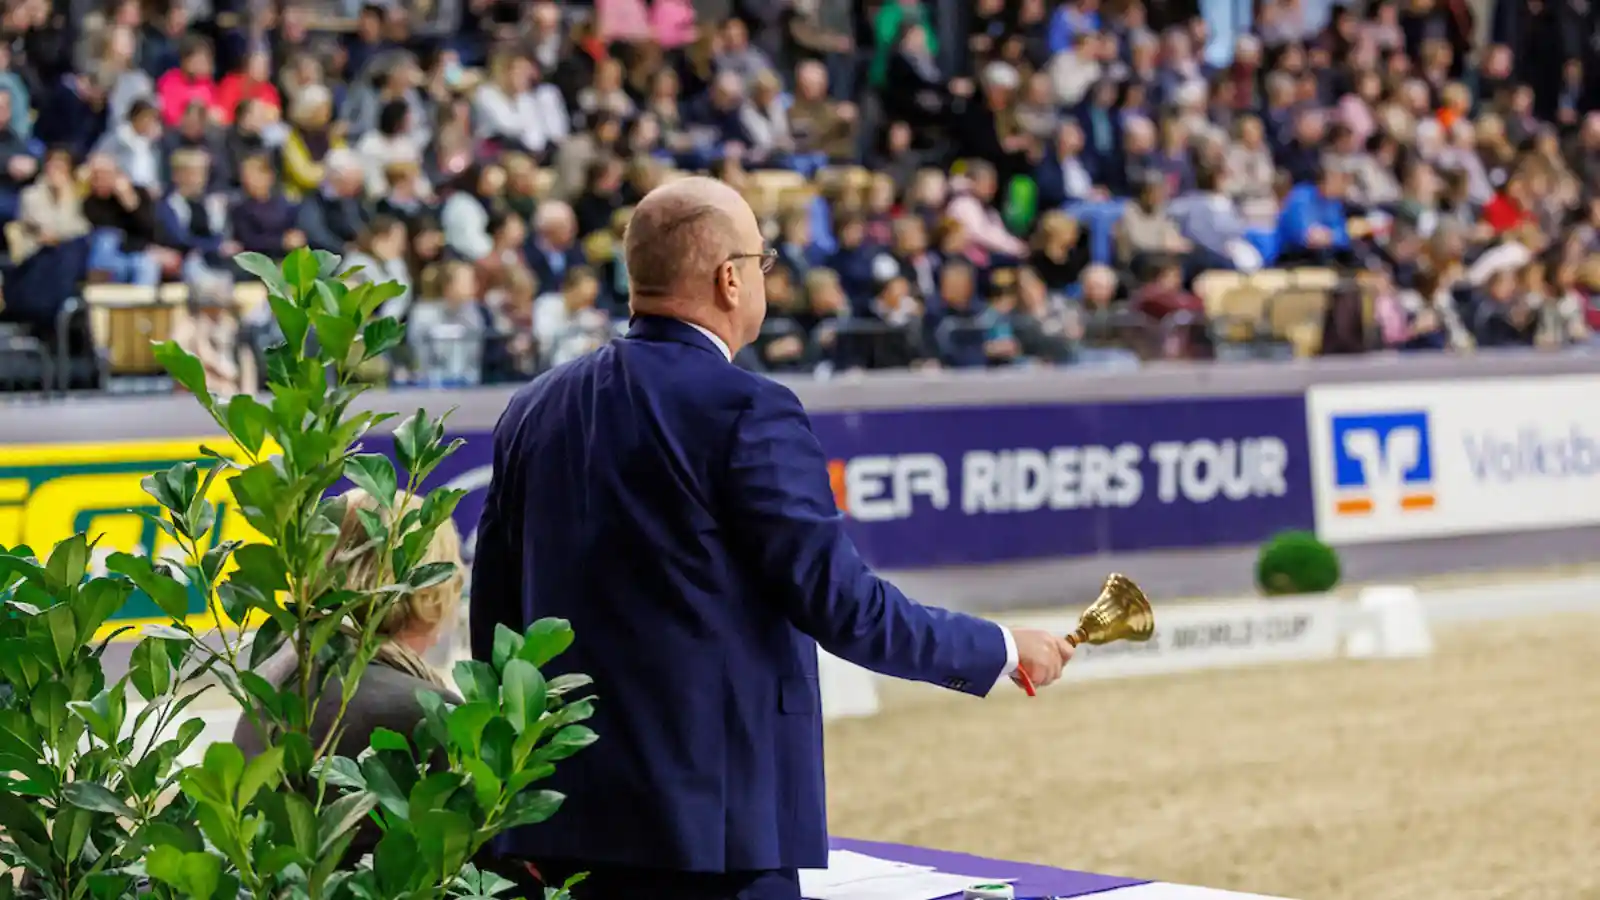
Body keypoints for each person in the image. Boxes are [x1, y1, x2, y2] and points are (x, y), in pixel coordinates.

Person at [470, 176, 1075, 900]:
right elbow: (843, 606)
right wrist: (1001, 649)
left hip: (558, 821)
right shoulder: (748, 408)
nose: (767, 276)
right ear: (730, 279)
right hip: (712, 836)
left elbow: (497, 629)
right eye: (764, 260)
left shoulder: (532, 407)